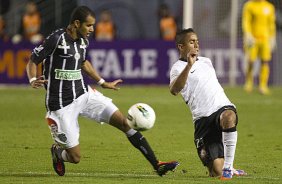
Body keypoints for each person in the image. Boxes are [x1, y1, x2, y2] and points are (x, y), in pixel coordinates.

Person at [26, 6, 178, 177]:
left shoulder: (83, 41)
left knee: (124, 123)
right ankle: (57, 153)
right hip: (61, 105)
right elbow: (32, 60)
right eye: (89, 25)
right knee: (75, 157)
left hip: (84, 95)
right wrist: (32, 79)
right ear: (77, 23)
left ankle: (157, 164)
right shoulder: (56, 39)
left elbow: (83, 62)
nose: (92, 29)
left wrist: (102, 82)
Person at [169, 28, 246, 180]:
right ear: (181, 46)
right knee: (214, 172)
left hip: (221, 108)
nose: (197, 45)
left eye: (197, 41)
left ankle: (228, 168)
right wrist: (189, 65)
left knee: (228, 116)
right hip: (202, 120)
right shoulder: (177, 68)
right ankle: (223, 167)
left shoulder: (206, 61)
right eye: (192, 42)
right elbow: (174, 90)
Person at [242, 0, 276, 95]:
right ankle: (249, 82)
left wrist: (272, 37)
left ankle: (263, 85)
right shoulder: (249, 5)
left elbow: (271, 24)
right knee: (251, 61)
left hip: (265, 39)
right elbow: (246, 21)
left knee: (265, 61)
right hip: (253, 38)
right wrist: (248, 34)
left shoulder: (269, 7)